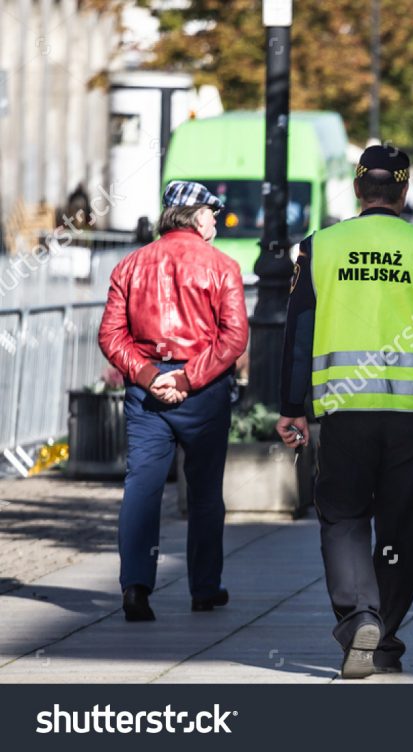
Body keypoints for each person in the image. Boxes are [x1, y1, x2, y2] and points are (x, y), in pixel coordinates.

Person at [275, 145, 413, 680]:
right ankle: (386, 638)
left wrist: (292, 407)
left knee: (343, 517)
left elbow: (298, 333)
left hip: (342, 409)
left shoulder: (320, 247)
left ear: (358, 188)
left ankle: (359, 615)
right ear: (403, 191)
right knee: (401, 525)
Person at [98, 180, 249, 622]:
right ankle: (204, 588)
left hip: (147, 393)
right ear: (196, 216)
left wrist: (149, 375)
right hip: (201, 391)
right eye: (212, 212)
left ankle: (136, 587)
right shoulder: (222, 266)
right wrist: (189, 375)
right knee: (204, 493)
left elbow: (110, 336)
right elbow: (234, 337)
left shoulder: (130, 265)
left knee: (141, 488)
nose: (217, 219)